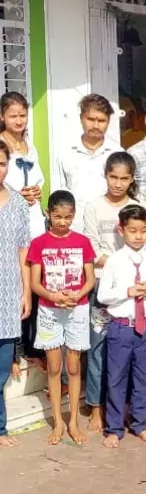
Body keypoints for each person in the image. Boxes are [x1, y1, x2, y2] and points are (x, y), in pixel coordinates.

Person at [80, 152, 146, 432]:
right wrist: (118, 264)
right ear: (105, 175)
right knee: (97, 348)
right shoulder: (93, 207)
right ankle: (96, 407)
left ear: (132, 178)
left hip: (134, 290)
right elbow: (92, 249)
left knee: (131, 350)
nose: (118, 183)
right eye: (113, 177)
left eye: (124, 178)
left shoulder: (139, 207)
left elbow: (145, 245)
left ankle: (128, 408)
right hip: (101, 287)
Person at [29, 191, 95, 446]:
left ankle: (73, 422)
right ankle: (57, 421)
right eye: (57, 216)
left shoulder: (83, 242)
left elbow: (89, 279)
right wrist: (54, 297)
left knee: (74, 366)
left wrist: (76, 295)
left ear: (74, 215)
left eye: (68, 217)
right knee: (54, 367)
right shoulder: (39, 243)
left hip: (77, 309)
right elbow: (35, 283)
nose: (62, 222)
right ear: (48, 213)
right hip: (49, 310)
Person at [97, 205, 146, 448]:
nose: (138, 236)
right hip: (121, 327)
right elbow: (103, 296)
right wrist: (129, 291)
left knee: (144, 378)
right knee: (116, 377)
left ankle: (140, 424)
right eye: (133, 230)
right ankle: (114, 428)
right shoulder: (114, 261)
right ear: (121, 230)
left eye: (143, 231)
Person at [2, 92, 47, 373]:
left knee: (33, 279)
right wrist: (18, 195)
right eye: (13, 115)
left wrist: (37, 193)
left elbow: (38, 176)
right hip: (10, 217)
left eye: (22, 115)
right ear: (2, 117)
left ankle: (32, 346)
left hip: (32, 217)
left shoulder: (29, 144)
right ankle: (15, 350)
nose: (19, 120)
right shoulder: (1, 147)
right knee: (14, 280)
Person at [0, 141, 32, 448]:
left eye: (1, 163)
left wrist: (26, 293)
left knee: (0, 372)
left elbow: (24, 252)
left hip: (8, 295)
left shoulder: (19, 205)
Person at [53, 95, 122, 230]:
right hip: (75, 227)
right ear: (81, 118)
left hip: (109, 228)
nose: (96, 125)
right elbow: (59, 193)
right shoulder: (65, 152)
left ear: (108, 122)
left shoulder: (118, 153)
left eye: (101, 121)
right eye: (90, 119)